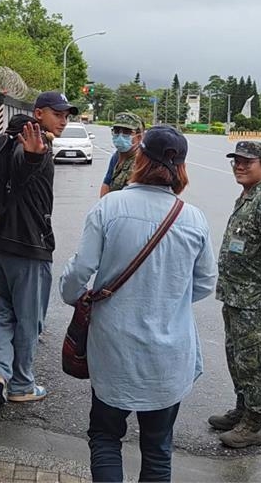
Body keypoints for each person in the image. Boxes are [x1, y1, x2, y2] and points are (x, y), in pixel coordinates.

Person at [61, 125, 217, 483]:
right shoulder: (192, 217)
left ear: (141, 157)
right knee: (158, 446)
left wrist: (73, 298)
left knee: (104, 436)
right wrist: (169, 297)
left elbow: (79, 271)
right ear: (181, 168)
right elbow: (206, 282)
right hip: (169, 354)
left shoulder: (110, 207)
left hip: (113, 346)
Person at [0, 91, 76, 406]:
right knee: (30, 319)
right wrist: (35, 155)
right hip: (27, 248)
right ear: (38, 114)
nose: (64, 120)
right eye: (58, 113)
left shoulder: (6, 140)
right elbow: (23, 168)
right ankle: (21, 384)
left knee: (5, 312)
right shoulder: (31, 145)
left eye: (67, 115)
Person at [209, 140, 261, 449]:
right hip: (235, 295)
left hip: (255, 299)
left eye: (248, 162)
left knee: (254, 361)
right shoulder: (248, 196)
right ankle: (242, 410)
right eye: (236, 161)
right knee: (236, 356)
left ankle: (253, 425)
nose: (240, 166)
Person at [99, 112, 144, 197]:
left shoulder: (142, 161)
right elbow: (107, 183)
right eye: (116, 131)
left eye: (126, 132)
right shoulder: (116, 157)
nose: (120, 136)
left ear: (139, 137)